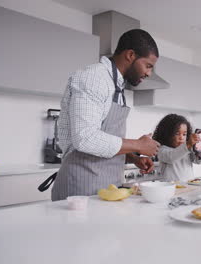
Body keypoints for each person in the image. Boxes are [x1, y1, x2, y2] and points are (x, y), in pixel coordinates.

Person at [50, 29, 160, 201]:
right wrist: (137, 144)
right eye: (148, 65)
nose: (149, 73)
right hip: (81, 188)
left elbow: (104, 139)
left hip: (107, 187)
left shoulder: (116, 85)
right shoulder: (94, 78)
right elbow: (85, 138)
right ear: (130, 55)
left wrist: (131, 156)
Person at [153, 114, 201, 182]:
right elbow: (171, 157)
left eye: (184, 134)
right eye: (177, 134)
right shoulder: (162, 150)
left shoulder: (187, 149)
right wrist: (187, 145)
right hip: (171, 188)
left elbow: (199, 160)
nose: (181, 137)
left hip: (189, 186)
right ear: (167, 134)